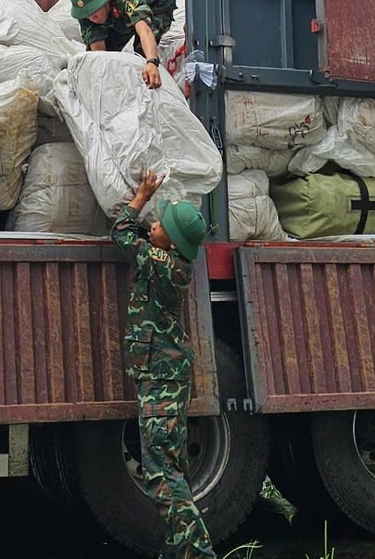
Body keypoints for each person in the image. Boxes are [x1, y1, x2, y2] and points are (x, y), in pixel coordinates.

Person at [111, 171, 213, 559]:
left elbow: (121, 232)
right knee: (172, 467)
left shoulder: (165, 265)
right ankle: (176, 551)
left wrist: (140, 197)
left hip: (160, 377)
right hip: (165, 375)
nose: (153, 224)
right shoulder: (170, 261)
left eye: (161, 224)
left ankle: (198, 552)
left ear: (173, 241)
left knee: (161, 474)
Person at [70, 0, 177, 89]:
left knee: (142, 54)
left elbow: (144, 30)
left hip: (158, 1)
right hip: (116, 11)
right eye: (87, 14)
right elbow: (99, 52)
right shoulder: (85, 13)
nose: (92, 18)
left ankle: (145, 90)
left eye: (94, 12)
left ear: (104, 1)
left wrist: (152, 62)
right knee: (107, 57)